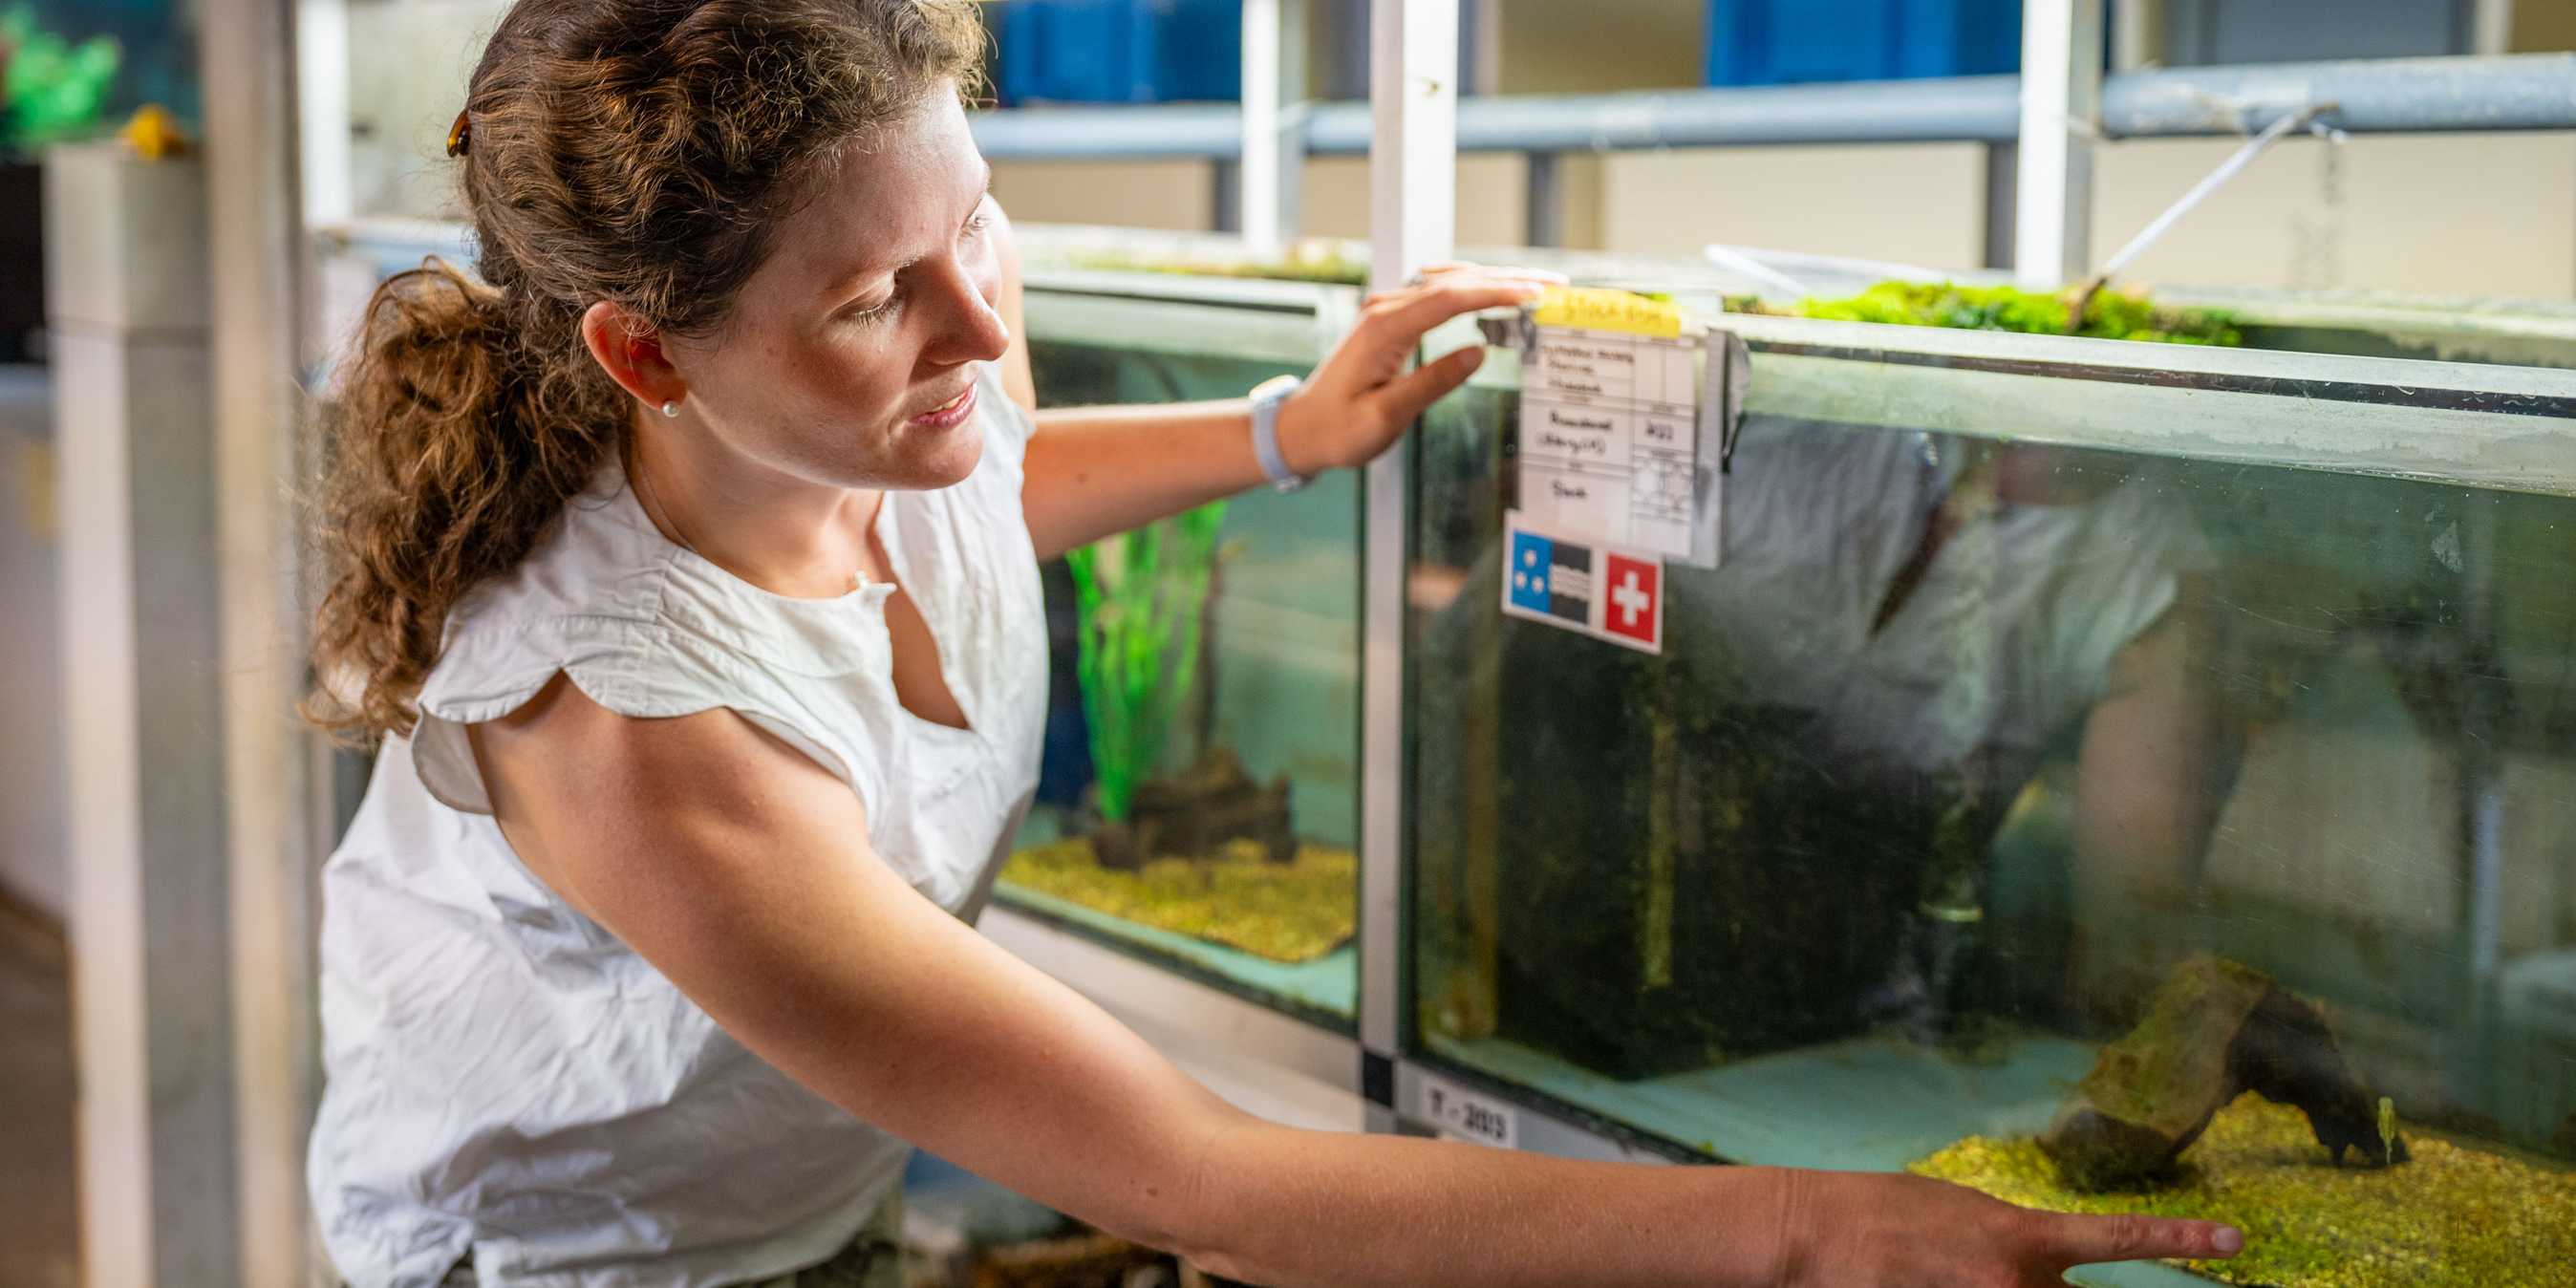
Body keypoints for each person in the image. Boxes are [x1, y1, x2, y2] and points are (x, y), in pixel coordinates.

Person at [303, 2, 2246, 1284]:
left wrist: (1275, 432)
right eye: (882, 297)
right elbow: (1198, 1180)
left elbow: (982, 491)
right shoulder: (624, 731)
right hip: (591, 1263)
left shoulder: (877, 409)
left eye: (977, 222)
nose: (980, 326)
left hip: (813, 1190)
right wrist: (1814, 1231)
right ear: (651, 354)